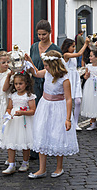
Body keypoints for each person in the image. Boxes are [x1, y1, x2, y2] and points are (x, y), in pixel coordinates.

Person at [25, 51, 78, 179]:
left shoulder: (64, 79)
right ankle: (42, 169)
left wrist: (68, 118)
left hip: (58, 108)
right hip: (45, 106)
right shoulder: (47, 73)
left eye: (47, 65)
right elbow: (36, 73)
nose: (45, 68)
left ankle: (59, 167)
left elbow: (69, 98)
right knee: (42, 133)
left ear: (54, 65)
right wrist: (29, 61)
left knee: (58, 136)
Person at [0, 71, 36, 175]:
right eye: (16, 84)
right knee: (11, 141)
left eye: (20, 84)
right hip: (13, 121)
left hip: (24, 122)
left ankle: (25, 162)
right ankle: (11, 164)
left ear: (26, 84)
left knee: (25, 141)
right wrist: (8, 114)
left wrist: (23, 112)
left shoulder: (29, 96)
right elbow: (10, 107)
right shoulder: (12, 95)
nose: (18, 86)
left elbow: (33, 110)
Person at [61, 37, 90, 130]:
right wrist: (85, 44)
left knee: (78, 101)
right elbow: (79, 54)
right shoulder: (66, 55)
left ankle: (75, 122)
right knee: (67, 101)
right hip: (68, 78)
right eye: (72, 46)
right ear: (67, 47)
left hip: (75, 78)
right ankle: (67, 120)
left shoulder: (72, 55)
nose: (74, 48)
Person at [29, 20, 61, 102]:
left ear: (50, 32)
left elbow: (59, 70)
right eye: (39, 34)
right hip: (34, 85)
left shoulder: (56, 50)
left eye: (44, 34)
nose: (41, 37)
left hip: (50, 86)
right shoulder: (34, 47)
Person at [81, 50, 97, 131]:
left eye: (91, 56)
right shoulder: (88, 66)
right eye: (90, 56)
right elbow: (85, 77)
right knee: (91, 102)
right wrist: (87, 75)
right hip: (90, 85)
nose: (89, 57)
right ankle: (92, 122)